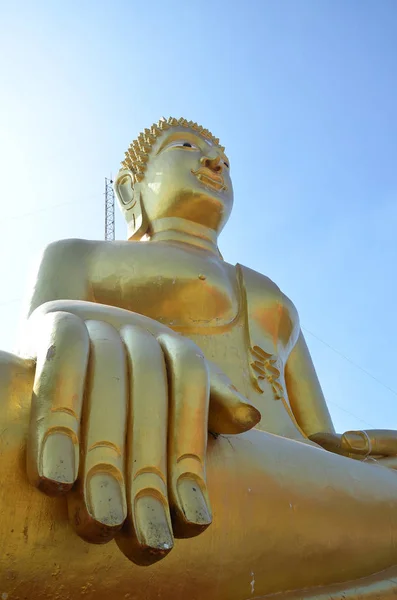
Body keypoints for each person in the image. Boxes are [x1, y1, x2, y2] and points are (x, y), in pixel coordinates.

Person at [1, 117, 397, 600]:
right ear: (130, 189)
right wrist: (100, 331)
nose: (215, 161)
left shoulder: (275, 297)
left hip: (308, 481)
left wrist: (369, 451)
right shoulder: (76, 256)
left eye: (223, 158)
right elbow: (39, 353)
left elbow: (320, 438)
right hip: (166, 445)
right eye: (186, 147)